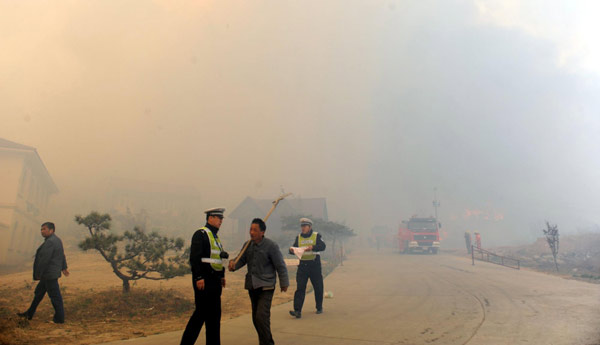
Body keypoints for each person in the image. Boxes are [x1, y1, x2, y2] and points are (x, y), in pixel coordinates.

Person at [229, 218, 289, 345]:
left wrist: (284, 282)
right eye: (250, 229)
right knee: (256, 319)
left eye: (255, 230)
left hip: (266, 286)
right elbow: (241, 260)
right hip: (252, 285)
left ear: (262, 232)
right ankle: (265, 341)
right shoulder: (247, 245)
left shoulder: (271, 246)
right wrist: (233, 264)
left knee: (261, 316)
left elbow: (280, 265)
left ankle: (267, 343)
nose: (251, 232)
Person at [181, 208, 229, 345]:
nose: (221, 221)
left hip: (215, 281)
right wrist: (198, 277)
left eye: (222, 218)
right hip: (204, 280)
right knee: (200, 314)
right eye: (218, 218)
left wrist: (222, 275)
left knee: (214, 317)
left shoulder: (216, 237)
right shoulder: (200, 234)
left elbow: (216, 260)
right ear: (210, 218)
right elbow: (195, 258)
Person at [18, 222, 69, 324]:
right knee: (38, 294)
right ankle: (29, 314)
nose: (42, 231)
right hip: (49, 274)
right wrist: (64, 267)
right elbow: (62, 255)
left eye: (44, 229)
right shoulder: (56, 240)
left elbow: (44, 259)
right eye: (41, 229)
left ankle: (59, 319)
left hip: (48, 274)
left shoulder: (50, 242)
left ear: (51, 230)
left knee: (55, 297)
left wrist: (38, 273)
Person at [288, 217, 326, 318]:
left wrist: (312, 247)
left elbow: (323, 246)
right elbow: (295, 248)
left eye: (305, 226)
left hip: (314, 265)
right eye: (302, 226)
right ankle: (297, 310)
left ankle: (319, 307)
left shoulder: (316, 235)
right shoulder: (299, 237)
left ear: (310, 227)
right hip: (302, 266)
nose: (303, 228)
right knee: (300, 287)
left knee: (318, 286)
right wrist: (291, 250)